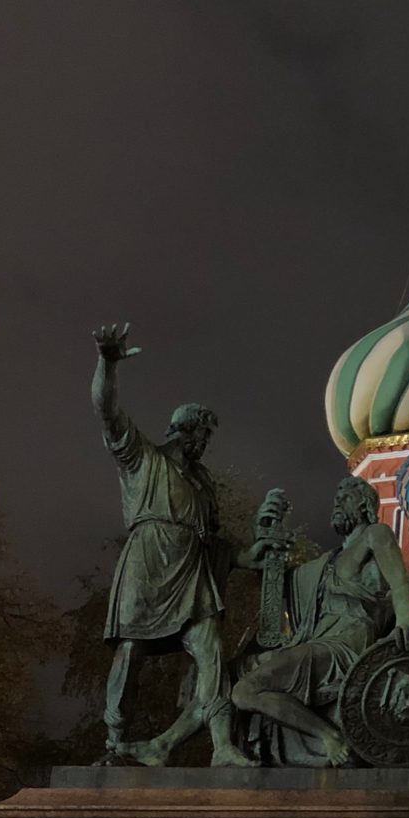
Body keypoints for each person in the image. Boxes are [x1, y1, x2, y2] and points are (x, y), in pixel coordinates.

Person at [89, 323, 281, 765]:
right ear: (189, 431)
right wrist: (107, 361)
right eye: (204, 436)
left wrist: (252, 556)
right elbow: (106, 410)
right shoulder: (143, 458)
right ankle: (115, 740)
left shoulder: (202, 483)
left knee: (211, 648)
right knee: (131, 651)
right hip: (148, 562)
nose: (205, 445)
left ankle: (222, 747)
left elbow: (215, 543)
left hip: (191, 573)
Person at [228, 477, 409, 766]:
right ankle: (218, 750)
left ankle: (329, 736)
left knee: (245, 691)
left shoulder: (376, 535)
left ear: (365, 505)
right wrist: (266, 536)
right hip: (316, 642)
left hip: (346, 646)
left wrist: (406, 622)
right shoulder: (326, 562)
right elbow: (280, 587)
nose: (337, 502)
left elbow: (400, 583)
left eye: (346, 496)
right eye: (336, 496)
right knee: (228, 672)